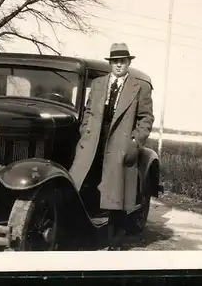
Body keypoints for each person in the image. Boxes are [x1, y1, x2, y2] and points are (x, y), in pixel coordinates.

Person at [69, 42, 155, 250]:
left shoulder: (139, 87)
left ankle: (114, 244)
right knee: (82, 185)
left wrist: (134, 142)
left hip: (120, 144)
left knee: (116, 194)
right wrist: (85, 131)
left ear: (128, 63)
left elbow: (146, 118)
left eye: (122, 61)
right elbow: (89, 111)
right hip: (93, 142)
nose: (118, 65)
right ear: (110, 63)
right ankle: (79, 237)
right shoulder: (99, 84)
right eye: (115, 61)